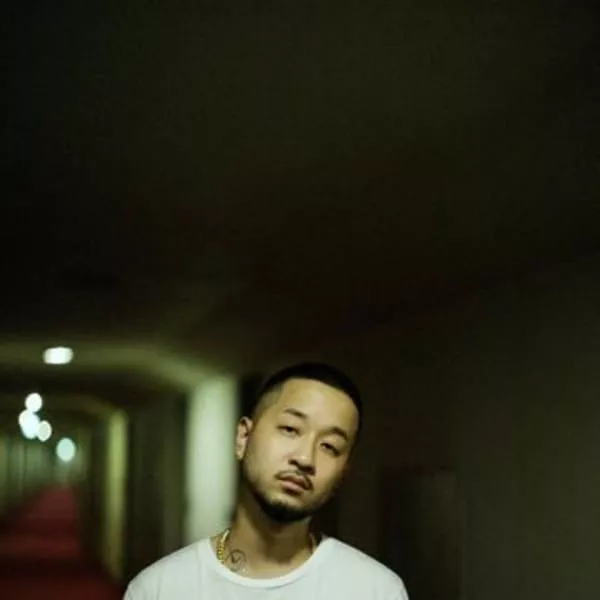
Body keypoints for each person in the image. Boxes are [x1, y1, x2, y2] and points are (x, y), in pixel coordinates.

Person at [124, 362, 409, 599]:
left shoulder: (375, 590)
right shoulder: (159, 589)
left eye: (329, 446)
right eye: (290, 429)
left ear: (342, 473)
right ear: (243, 438)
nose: (305, 458)